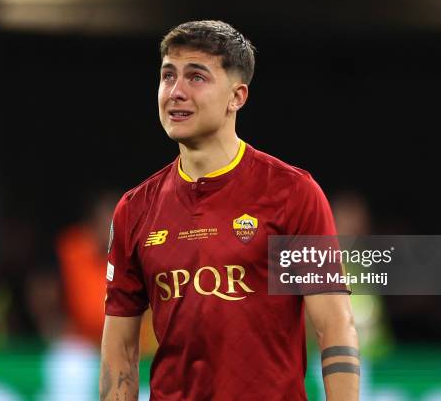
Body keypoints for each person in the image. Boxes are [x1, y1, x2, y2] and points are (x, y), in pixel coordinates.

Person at [99, 20, 359, 400]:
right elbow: (120, 350)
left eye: (196, 77)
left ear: (237, 97)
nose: (176, 92)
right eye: (167, 75)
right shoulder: (134, 209)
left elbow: (334, 327)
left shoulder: (292, 193)